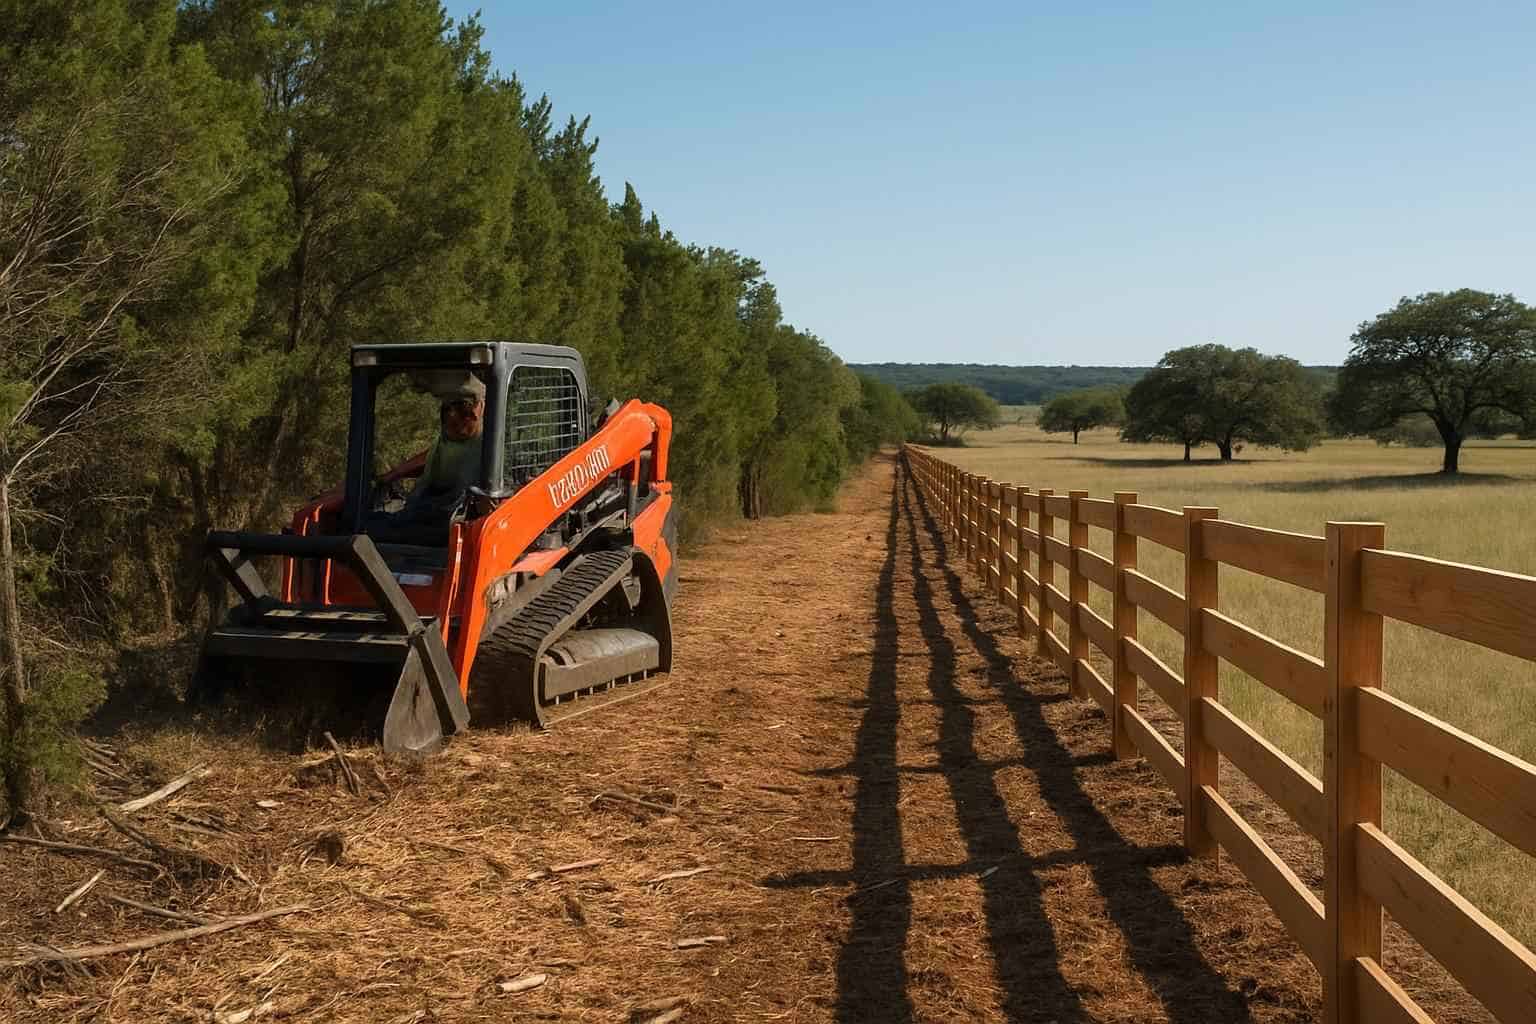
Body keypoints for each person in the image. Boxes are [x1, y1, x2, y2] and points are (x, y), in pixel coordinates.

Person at [367, 374, 485, 543]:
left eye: (462, 409)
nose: (452, 416)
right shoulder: (448, 442)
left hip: (450, 524)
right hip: (424, 512)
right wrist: (390, 476)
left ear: (480, 407)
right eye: (447, 409)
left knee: (371, 532)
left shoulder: (489, 446)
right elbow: (429, 459)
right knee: (364, 523)